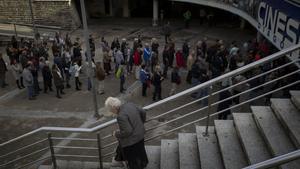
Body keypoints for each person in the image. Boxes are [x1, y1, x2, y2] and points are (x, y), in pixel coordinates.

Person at [105, 97, 148, 169]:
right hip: (140, 134)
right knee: (141, 152)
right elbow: (143, 112)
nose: (111, 112)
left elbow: (128, 131)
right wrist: (141, 123)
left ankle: (120, 161)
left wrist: (116, 133)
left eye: (110, 110)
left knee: (133, 160)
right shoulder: (130, 104)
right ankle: (119, 160)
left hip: (132, 141)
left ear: (114, 108)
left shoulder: (120, 116)